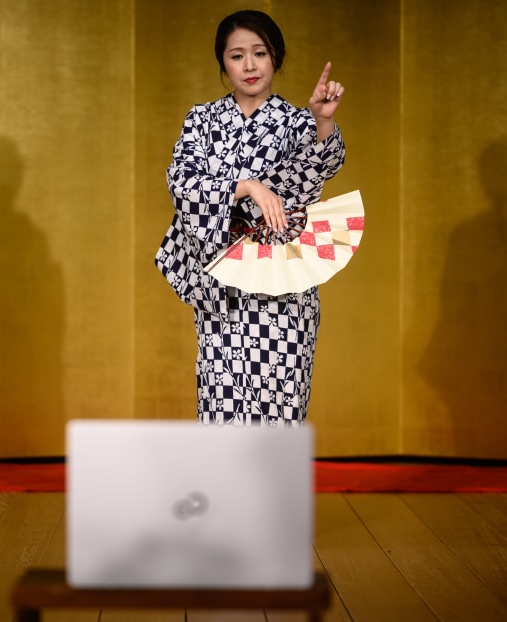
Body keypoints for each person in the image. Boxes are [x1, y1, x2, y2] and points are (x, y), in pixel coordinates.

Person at [154, 9, 346, 427]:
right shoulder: (202, 120)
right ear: (222, 62)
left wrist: (323, 120)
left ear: (275, 56)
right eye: (237, 55)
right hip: (223, 289)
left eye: (259, 53)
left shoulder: (297, 122)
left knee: (280, 410)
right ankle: (226, 495)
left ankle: (274, 495)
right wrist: (246, 186)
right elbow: (183, 184)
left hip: (283, 288)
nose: (250, 65)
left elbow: (324, 165)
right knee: (221, 410)